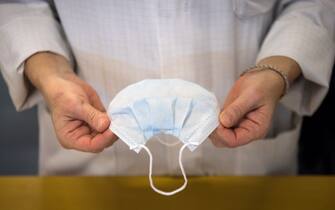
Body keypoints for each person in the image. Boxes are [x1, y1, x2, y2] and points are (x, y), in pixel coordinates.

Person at [0, 0, 334, 175]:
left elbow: (315, 3)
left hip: (249, 169)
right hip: (92, 170)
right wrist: (53, 76)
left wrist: (276, 71)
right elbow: (18, 4)